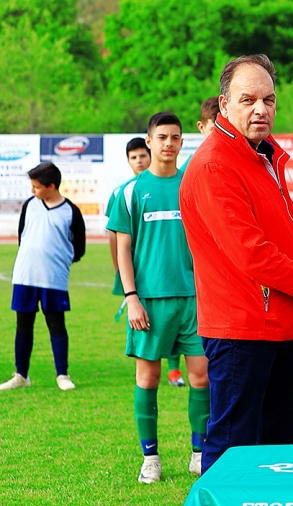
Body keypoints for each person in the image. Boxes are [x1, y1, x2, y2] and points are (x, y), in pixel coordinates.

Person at [179, 54, 293, 474]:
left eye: (269, 99)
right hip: (243, 328)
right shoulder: (215, 165)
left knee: (276, 441)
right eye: (248, 100)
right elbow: (253, 256)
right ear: (224, 105)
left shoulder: (259, 156)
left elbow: (268, 244)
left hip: (274, 320)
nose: (260, 109)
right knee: (234, 448)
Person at [106, 112, 210, 484]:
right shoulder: (129, 191)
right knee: (148, 378)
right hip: (148, 301)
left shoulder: (194, 185)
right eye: (162, 137)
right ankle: (150, 458)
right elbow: (122, 249)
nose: (169, 143)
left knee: (201, 377)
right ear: (148, 141)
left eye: (175, 137)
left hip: (196, 299)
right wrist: (131, 297)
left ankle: (199, 454)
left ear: (182, 142)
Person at [106, 139, 186, 387]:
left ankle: (174, 371)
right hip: (146, 284)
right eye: (134, 157)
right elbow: (117, 240)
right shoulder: (123, 192)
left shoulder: (184, 183)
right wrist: (125, 283)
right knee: (148, 370)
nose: (139, 161)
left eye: (142, 156)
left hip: (184, 285)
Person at [0, 163, 85, 392]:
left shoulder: (71, 211)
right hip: (25, 275)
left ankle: (62, 375)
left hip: (54, 279)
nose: (33, 191)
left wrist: (58, 261)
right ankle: (21, 375)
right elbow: (23, 236)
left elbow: (79, 248)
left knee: (56, 325)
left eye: (36, 187)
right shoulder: (29, 205)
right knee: (23, 325)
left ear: (51, 186)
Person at [180, 97, 221, 172]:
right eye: (214, 129)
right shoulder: (191, 166)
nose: (220, 135)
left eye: (224, 130)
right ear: (201, 127)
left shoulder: (237, 161)